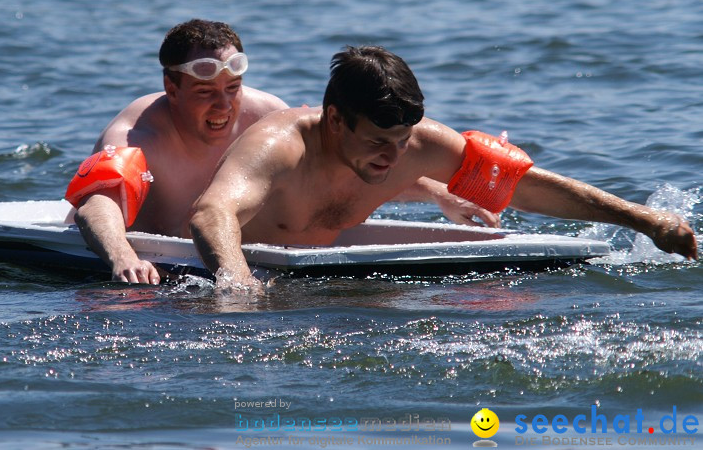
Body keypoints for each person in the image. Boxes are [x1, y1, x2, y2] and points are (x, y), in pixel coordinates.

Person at [188, 46, 698, 289]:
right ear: (337, 120)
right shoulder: (280, 147)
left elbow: (522, 188)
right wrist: (236, 284)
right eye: (377, 142)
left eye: (403, 140)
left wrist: (644, 220)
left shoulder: (419, 145)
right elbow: (211, 213)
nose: (393, 157)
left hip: (341, 289)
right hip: (255, 292)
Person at [72, 23, 496, 284]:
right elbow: (98, 205)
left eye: (231, 89)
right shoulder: (136, 134)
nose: (223, 106)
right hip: (165, 271)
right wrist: (123, 257)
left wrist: (438, 192)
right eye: (205, 92)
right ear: (172, 88)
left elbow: (345, 163)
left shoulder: (268, 115)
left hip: (248, 258)